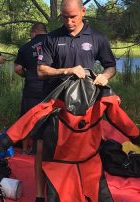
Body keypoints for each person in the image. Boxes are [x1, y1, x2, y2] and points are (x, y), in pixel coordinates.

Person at [36, 0, 116, 201]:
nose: (69, 21)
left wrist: (105, 76)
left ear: (83, 11)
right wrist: (67, 70)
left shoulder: (97, 37)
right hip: (55, 104)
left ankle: (84, 192)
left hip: (84, 105)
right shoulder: (52, 38)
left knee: (85, 151)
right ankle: (40, 195)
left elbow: (110, 66)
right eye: (64, 17)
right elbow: (41, 70)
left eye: (73, 17)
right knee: (42, 148)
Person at [14, 22, 47, 202]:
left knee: (29, 119)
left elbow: (18, 68)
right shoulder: (54, 42)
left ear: (33, 32)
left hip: (32, 88)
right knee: (49, 120)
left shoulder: (26, 47)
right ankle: (47, 150)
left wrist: (28, 75)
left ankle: (27, 149)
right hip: (50, 89)